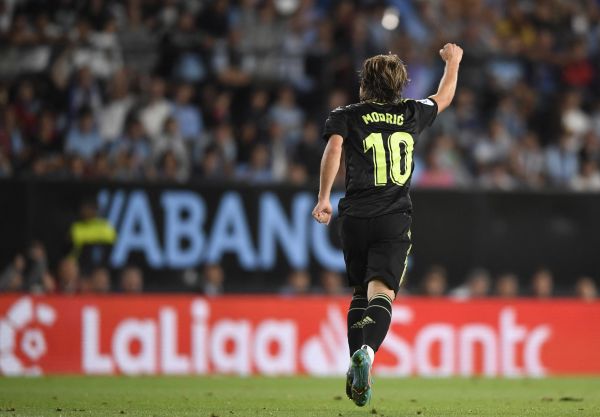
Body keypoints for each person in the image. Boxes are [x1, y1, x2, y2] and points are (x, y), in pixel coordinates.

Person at [312, 45, 462, 406]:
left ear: (365, 85)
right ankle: (367, 354)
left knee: (359, 294)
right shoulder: (412, 112)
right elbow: (444, 96)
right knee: (382, 293)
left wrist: (323, 197)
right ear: (399, 86)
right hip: (393, 218)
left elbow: (334, 149)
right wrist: (453, 62)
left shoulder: (346, 114)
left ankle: (355, 364)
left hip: (354, 217)